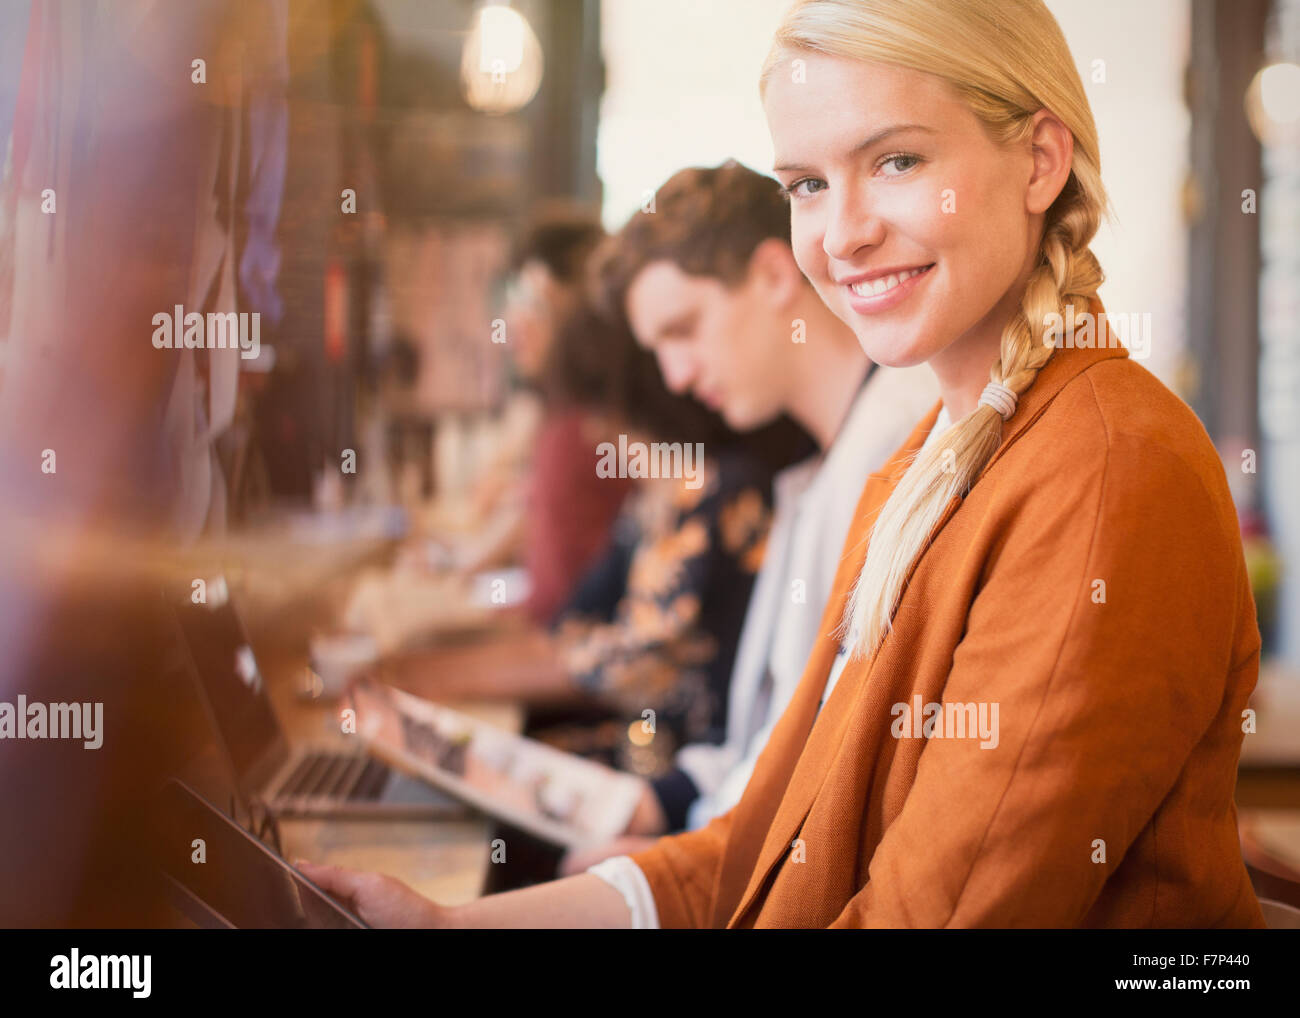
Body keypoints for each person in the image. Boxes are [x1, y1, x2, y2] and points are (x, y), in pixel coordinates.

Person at [299, 0, 1265, 928]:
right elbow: (769, 845)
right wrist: (457, 925)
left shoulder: (1106, 470)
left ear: (1040, 162)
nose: (841, 234)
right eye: (806, 184)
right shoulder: (921, 465)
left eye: (896, 160)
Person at [557, 161, 936, 870]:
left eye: (685, 328)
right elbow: (770, 732)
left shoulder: (896, 443)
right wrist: (666, 808)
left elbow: (837, 773)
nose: (675, 375)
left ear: (772, 274)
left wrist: (664, 867)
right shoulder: (815, 468)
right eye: (657, 349)